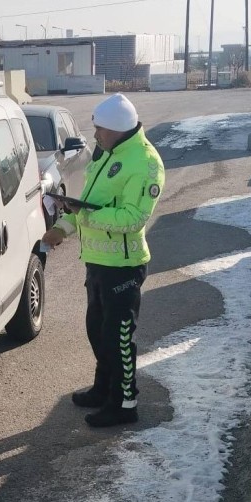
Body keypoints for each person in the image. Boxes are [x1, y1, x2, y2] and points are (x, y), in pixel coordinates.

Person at [41, 93, 165, 428]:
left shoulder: (145, 163)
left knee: (119, 337)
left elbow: (133, 218)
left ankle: (125, 404)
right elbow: (88, 204)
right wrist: (63, 228)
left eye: (100, 130)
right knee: (97, 330)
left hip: (123, 267)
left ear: (117, 129)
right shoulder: (107, 153)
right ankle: (103, 388)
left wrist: (83, 216)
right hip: (97, 263)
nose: (95, 136)